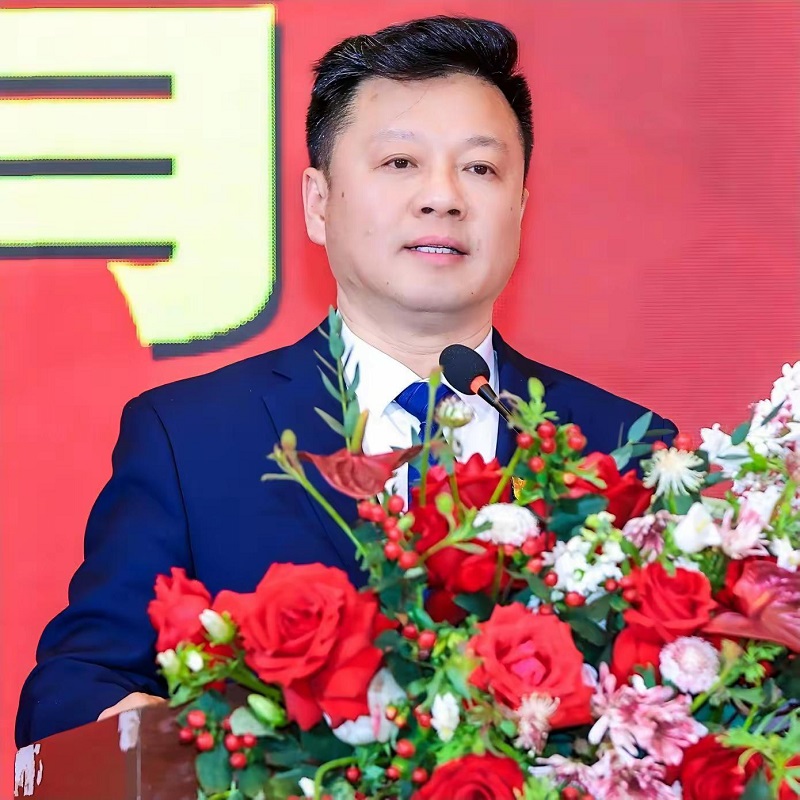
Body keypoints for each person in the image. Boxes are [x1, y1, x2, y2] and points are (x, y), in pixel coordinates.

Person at [16, 15, 674, 746]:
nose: (442, 197)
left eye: (480, 169)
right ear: (318, 202)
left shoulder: (621, 449)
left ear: (521, 205)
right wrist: (167, 734)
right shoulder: (192, 440)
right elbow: (71, 688)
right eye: (400, 162)